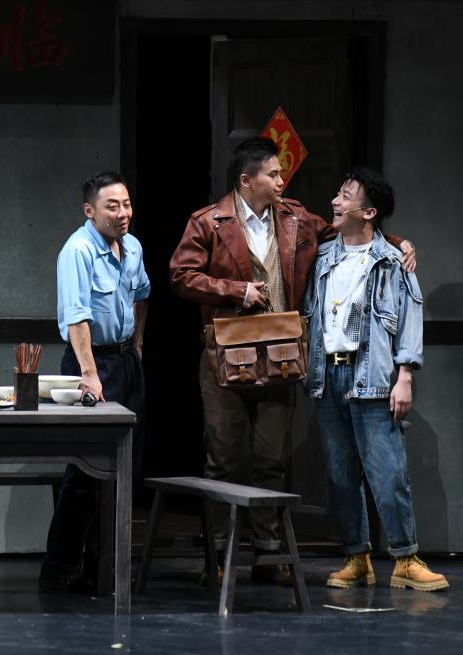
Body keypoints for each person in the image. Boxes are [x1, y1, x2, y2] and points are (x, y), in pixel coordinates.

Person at [169, 138, 415, 586]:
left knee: (271, 459)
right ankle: (217, 555)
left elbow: (350, 233)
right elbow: (181, 274)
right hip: (226, 357)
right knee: (223, 460)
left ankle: (268, 554)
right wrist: (236, 290)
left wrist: (397, 242)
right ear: (247, 180)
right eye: (273, 174)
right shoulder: (209, 221)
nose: (282, 180)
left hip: (280, 355)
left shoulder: (295, 218)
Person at [303, 168, 448, 592]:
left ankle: (405, 558)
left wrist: (405, 377)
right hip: (328, 375)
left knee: (388, 473)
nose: (335, 201)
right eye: (337, 193)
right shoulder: (322, 258)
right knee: (340, 474)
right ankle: (357, 557)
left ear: (368, 212)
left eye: (345, 196)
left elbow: (409, 320)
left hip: (372, 377)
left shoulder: (392, 261)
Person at [39, 171, 149, 593]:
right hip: (90, 365)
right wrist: (89, 374)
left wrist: (138, 344)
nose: (123, 213)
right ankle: (59, 566)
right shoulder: (78, 250)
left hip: (125, 361)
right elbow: (77, 317)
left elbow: (142, 295)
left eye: (126, 204)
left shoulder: (132, 246)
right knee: (85, 471)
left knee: (125, 468)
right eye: (112, 206)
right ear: (90, 210)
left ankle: (102, 567)